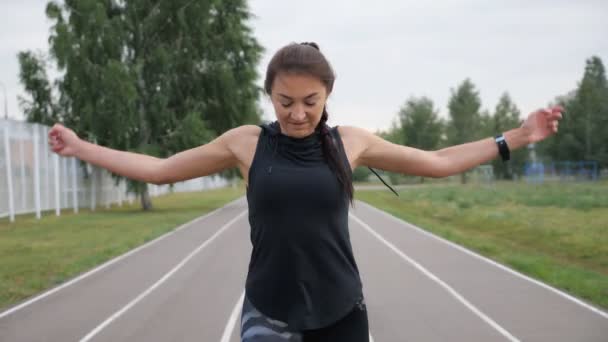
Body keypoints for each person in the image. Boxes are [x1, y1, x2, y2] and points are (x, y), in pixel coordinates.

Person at [47, 42, 563, 342]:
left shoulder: (351, 143)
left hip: (341, 312)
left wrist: (514, 137)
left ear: (328, 95)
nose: (296, 113)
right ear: (269, 95)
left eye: (310, 101)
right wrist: (80, 147)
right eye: (284, 100)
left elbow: (437, 162)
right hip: (268, 314)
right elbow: (160, 169)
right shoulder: (245, 143)